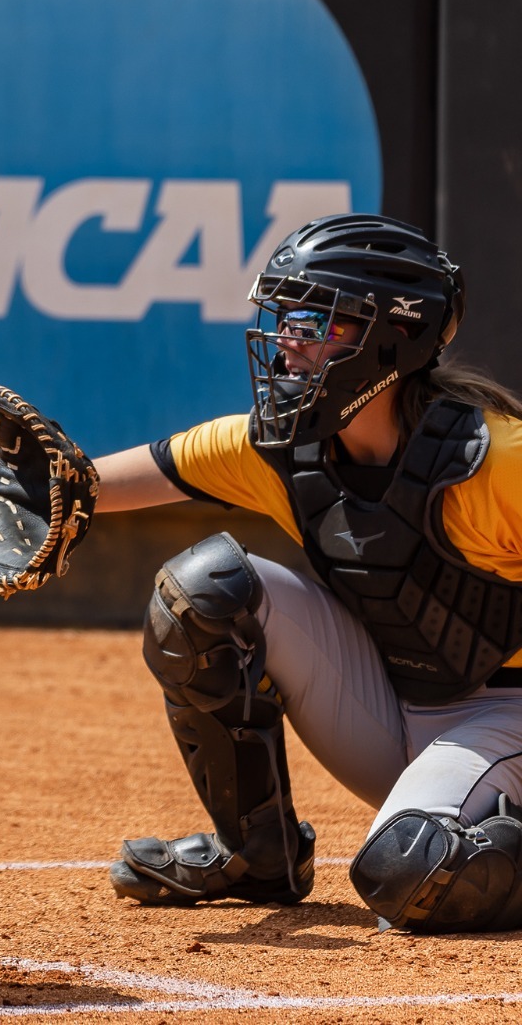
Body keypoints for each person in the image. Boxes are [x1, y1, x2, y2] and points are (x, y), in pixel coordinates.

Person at [47, 213, 522, 933]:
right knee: (199, 591)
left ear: (390, 340)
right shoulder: (282, 445)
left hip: (503, 718)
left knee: (410, 870)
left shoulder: (494, 458)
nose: (290, 341)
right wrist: (45, 493)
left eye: (318, 321)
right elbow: (100, 483)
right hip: (392, 706)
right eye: (289, 317)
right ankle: (257, 854)